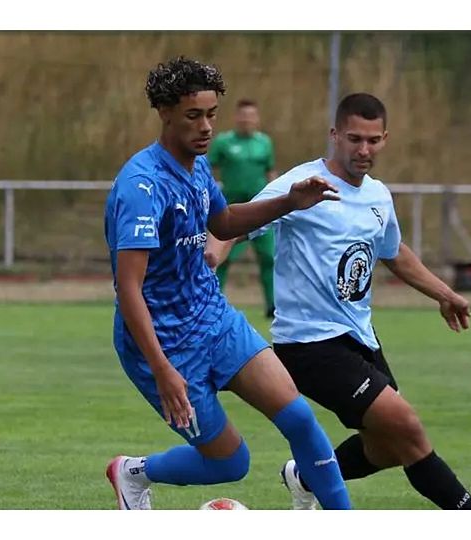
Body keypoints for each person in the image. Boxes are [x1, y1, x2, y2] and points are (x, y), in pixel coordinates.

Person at [102, 56, 351, 510]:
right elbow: (129, 288)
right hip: (163, 344)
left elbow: (225, 219)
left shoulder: (196, 167)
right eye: (194, 115)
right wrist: (163, 370)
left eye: (212, 114)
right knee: (230, 464)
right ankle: (132, 473)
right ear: (165, 112)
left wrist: (289, 201)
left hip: (212, 318)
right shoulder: (142, 188)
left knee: (299, 417)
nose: (206, 127)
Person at [208, 93, 471, 510]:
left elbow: (393, 251)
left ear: (384, 138)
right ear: (335, 135)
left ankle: (304, 477)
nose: (363, 149)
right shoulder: (303, 185)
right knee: (408, 427)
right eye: (354, 138)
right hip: (309, 344)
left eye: (373, 140)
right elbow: (237, 222)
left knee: (388, 447)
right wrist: (212, 255)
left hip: (360, 339)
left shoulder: (378, 196)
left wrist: (444, 293)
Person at [208, 99, 278, 318]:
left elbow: (270, 172)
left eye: (251, 115)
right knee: (220, 257)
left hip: (260, 211)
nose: (247, 119)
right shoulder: (224, 142)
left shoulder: (264, 143)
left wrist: (278, 197)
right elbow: (207, 168)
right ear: (237, 117)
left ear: (256, 119)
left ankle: (273, 306)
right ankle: (212, 302)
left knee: (269, 257)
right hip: (231, 212)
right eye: (243, 115)